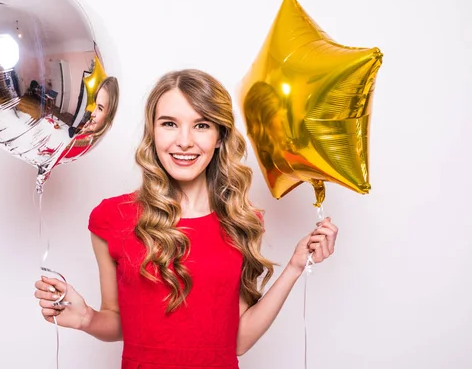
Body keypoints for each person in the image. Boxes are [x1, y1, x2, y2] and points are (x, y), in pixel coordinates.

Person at [34, 69, 338, 368]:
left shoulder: (242, 220)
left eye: (201, 125)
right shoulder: (112, 218)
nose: (184, 141)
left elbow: (239, 342)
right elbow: (119, 322)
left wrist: (295, 266)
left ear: (220, 136)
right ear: (153, 132)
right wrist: (86, 317)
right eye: (169, 124)